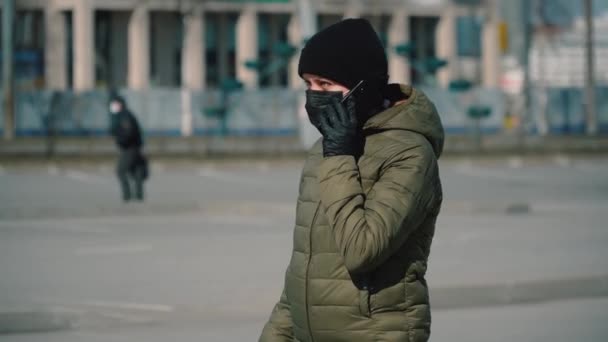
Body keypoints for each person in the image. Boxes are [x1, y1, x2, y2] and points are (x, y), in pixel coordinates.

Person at [259, 18, 444, 342]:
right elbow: (307, 266)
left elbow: (362, 249)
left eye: (326, 85)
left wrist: (340, 156)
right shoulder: (327, 148)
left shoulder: (409, 154)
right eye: (309, 84)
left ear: (364, 86)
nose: (316, 96)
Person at [109, 94, 146, 202]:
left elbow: (128, 133)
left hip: (130, 148)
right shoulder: (125, 115)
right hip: (135, 147)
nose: (113, 106)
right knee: (136, 170)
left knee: (121, 171)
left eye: (115, 104)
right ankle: (139, 195)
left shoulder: (124, 116)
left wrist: (121, 141)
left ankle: (127, 195)